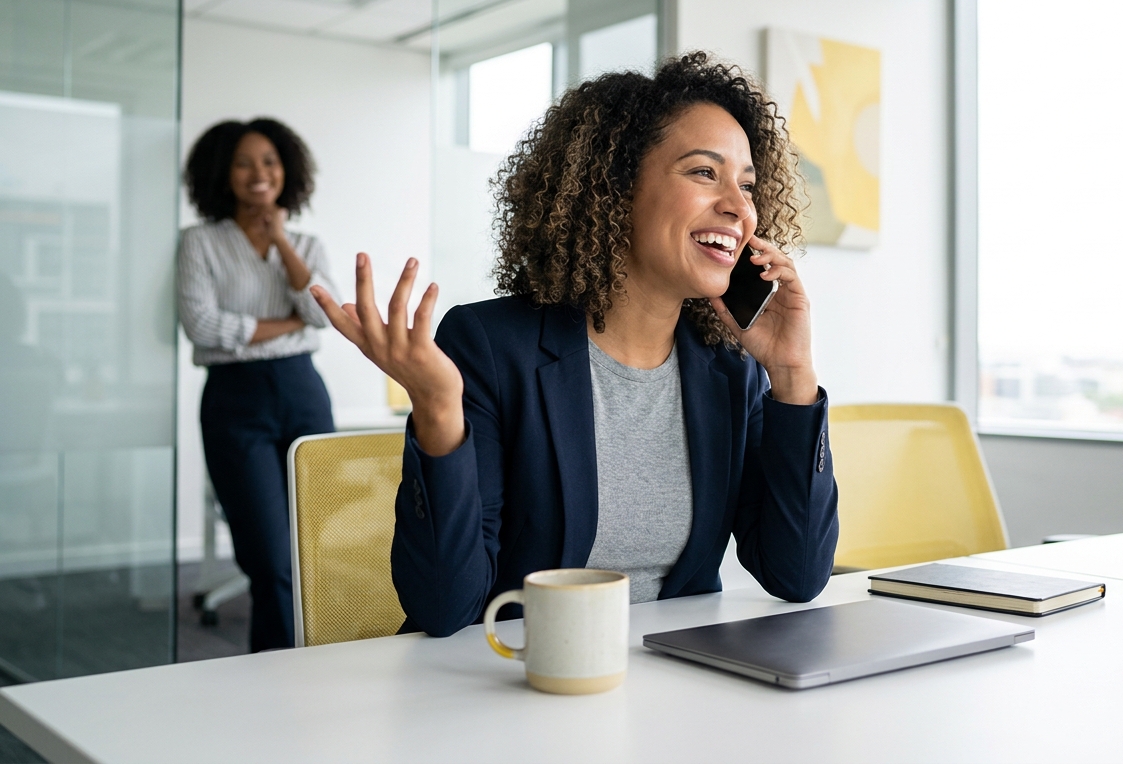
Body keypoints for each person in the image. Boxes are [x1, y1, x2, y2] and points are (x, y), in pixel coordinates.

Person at [312, 53, 839, 637]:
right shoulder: (490, 346)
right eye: (703, 173)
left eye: (746, 185)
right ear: (615, 185)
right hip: (519, 684)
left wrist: (792, 374)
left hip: (672, 687)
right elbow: (445, 608)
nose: (741, 210)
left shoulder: (730, 369)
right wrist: (438, 408)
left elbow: (797, 575)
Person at [178, 118, 337, 652]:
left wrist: (280, 242)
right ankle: (274, 677)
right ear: (223, 174)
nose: (258, 173)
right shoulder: (199, 243)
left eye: (268, 161)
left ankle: (322, 663)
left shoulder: (307, 245)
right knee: (269, 558)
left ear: (285, 170)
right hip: (235, 399)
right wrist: (287, 325)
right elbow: (202, 327)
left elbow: (323, 313)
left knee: (320, 545)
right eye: (244, 162)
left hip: (302, 392)